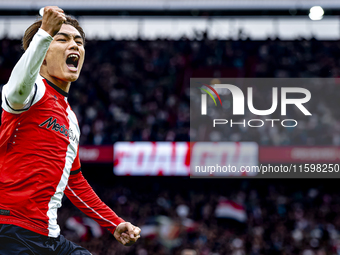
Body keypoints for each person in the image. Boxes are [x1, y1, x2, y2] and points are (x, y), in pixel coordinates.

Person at [0, 6, 140, 254]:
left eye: (78, 41)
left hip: (48, 236)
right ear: (42, 54)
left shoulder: (70, 119)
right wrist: (45, 31)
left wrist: (114, 222)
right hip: (10, 232)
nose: (74, 45)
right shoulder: (31, 92)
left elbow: (74, 181)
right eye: (62, 39)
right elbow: (16, 88)